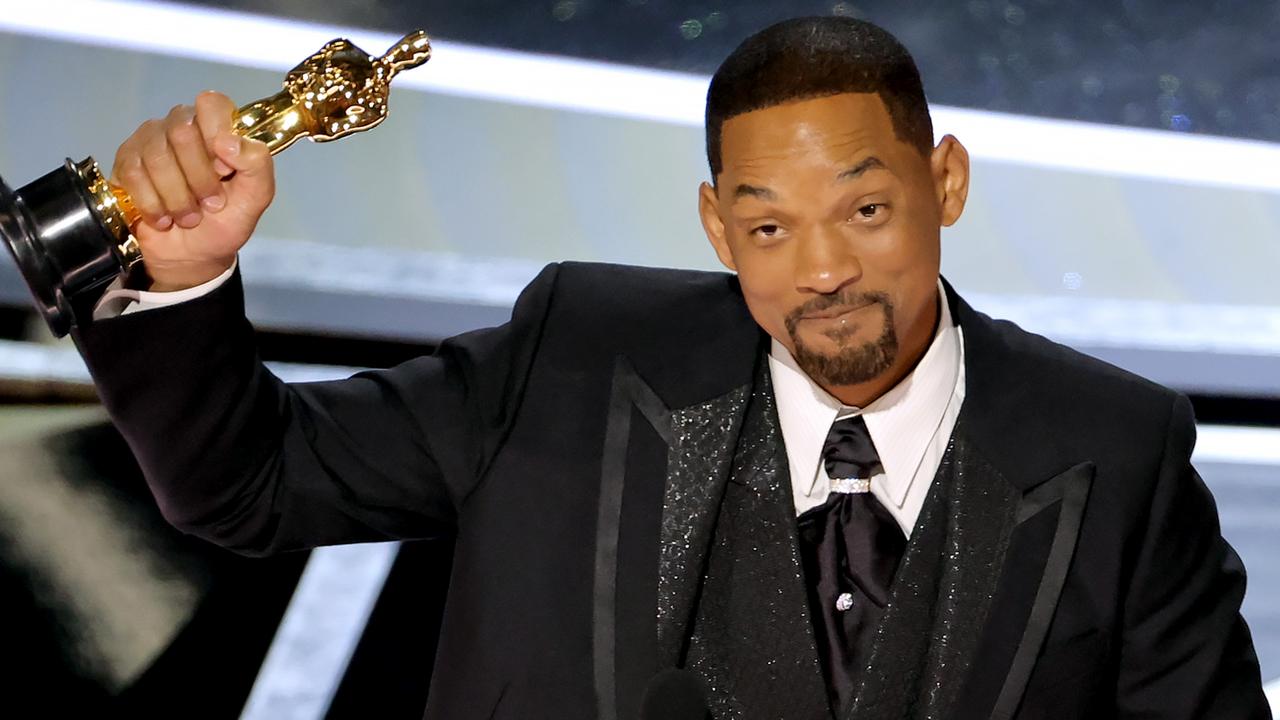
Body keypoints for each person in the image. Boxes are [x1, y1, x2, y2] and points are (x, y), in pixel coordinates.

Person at [73, 15, 1270, 720]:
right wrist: (182, 278)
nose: (821, 271)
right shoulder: (572, 360)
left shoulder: (1114, 451)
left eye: (863, 211)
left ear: (942, 182)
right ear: (712, 227)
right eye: (767, 227)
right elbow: (247, 484)